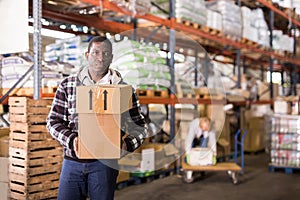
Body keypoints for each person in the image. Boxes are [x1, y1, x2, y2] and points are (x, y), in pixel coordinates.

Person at [46, 36, 147, 200]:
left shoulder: (123, 90)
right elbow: (53, 122)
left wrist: (126, 145)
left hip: (105, 164)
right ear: (87, 55)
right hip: (73, 161)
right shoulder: (68, 85)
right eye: (96, 52)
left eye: (106, 53)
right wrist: (73, 140)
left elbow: (140, 128)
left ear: (112, 58)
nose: (100, 58)